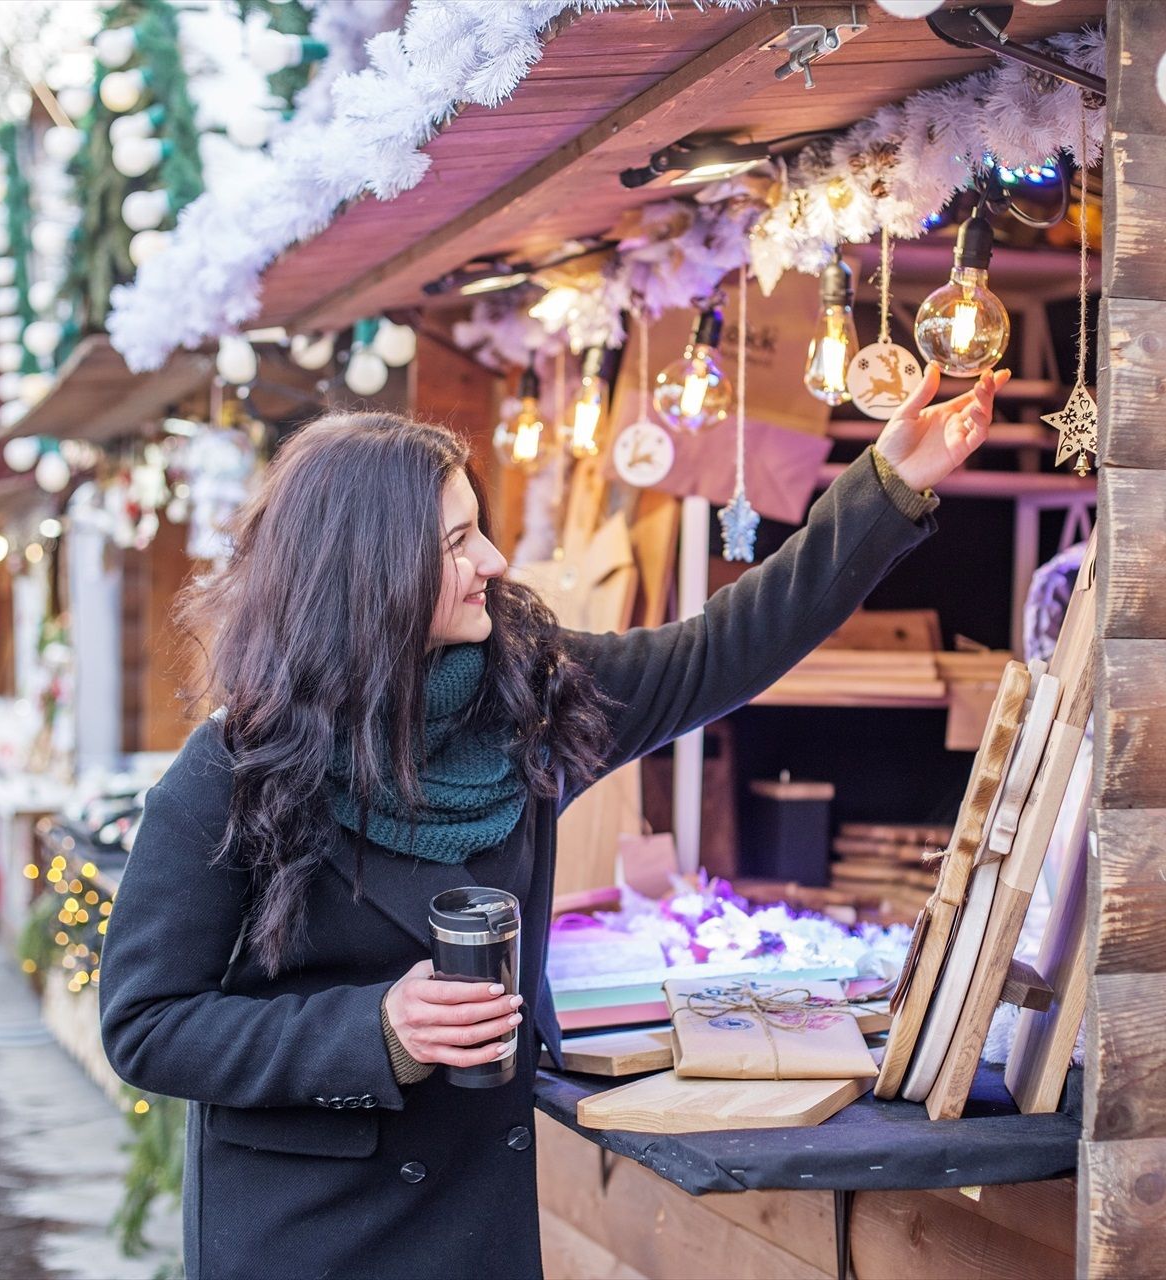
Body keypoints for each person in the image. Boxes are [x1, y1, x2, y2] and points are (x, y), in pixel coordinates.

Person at [99, 366, 1008, 1279]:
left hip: (472, 1223)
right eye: (458, 542)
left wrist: (884, 490)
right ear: (370, 571)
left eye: (479, 530)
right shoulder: (234, 770)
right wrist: (375, 1029)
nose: (493, 562)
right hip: (304, 1232)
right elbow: (146, 1023)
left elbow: (724, 647)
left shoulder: (530, 703)